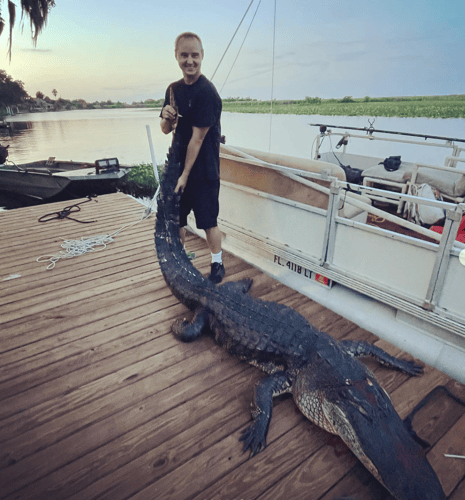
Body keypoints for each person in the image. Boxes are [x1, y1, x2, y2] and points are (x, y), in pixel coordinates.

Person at [160, 32, 225, 284]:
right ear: (176, 56)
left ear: (202, 56)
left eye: (194, 55)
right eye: (184, 55)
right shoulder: (173, 90)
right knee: (177, 219)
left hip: (204, 168)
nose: (190, 60)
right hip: (178, 166)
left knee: (209, 221)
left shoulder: (207, 92)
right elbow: (167, 130)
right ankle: (180, 260)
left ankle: (217, 264)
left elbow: (197, 140)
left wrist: (185, 176)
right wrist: (166, 117)